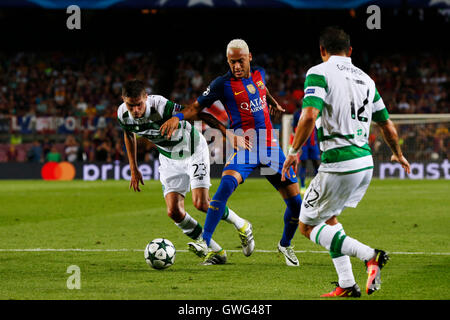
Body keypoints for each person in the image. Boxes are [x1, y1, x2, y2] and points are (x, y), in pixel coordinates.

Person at [282, 26, 411, 297]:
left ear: (322, 51)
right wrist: (397, 153)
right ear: (350, 51)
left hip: (338, 163)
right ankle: (347, 283)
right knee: (329, 218)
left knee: (306, 226)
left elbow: (308, 116)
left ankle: (370, 256)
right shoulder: (367, 80)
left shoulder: (319, 72)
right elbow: (387, 125)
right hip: (364, 162)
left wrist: (293, 151)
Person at [160, 39, 303, 267]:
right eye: (232, 62)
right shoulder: (221, 84)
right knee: (225, 185)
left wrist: (273, 102)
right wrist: (176, 118)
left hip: (270, 147)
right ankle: (205, 242)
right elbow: (196, 108)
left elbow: (262, 89)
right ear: (228, 61)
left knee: (296, 205)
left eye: (240, 61)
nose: (236, 66)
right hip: (246, 146)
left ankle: (285, 244)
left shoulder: (258, 74)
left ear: (249, 57)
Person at [117, 79, 252, 265]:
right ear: (124, 100)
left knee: (201, 203)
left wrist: (226, 133)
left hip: (193, 149)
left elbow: (198, 113)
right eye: (130, 106)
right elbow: (128, 133)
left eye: (139, 105)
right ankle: (216, 252)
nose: (135, 111)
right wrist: (134, 168)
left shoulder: (162, 106)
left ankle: (242, 224)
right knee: (173, 211)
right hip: (168, 158)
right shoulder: (122, 114)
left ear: (146, 98)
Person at [290, 107, 320, 195]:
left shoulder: (315, 111)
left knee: (316, 164)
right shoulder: (297, 114)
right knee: (303, 163)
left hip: (313, 143)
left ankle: (317, 186)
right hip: (303, 144)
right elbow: (294, 128)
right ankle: (302, 186)